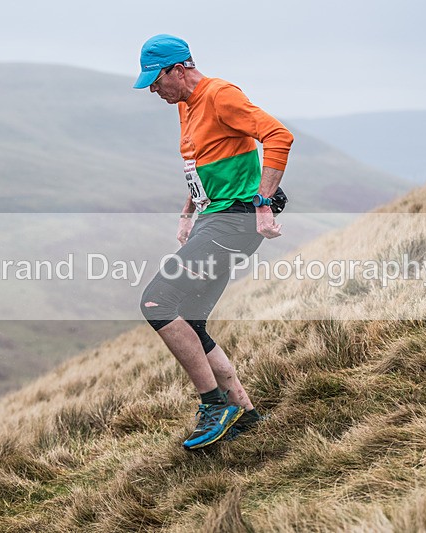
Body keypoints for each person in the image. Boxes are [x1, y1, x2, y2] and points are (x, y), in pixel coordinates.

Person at [134, 34, 294, 450]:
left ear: (179, 68)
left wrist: (263, 202)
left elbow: (278, 136)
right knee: (190, 317)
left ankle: (213, 405)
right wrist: (188, 214)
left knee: (157, 302)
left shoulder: (220, 94)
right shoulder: (185, 105)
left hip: (234, 223)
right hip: (212, 220)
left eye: (156, 79)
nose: (153, 88)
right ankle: (246, 412)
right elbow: (199, 165)